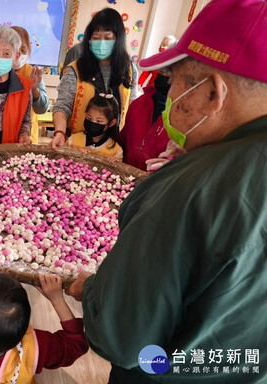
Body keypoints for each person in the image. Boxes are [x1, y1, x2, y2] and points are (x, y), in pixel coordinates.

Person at [66, 0, 267, 382]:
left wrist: (92, 291)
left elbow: (124, 340)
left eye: (173, 78)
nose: (168, 91)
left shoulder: (187, 191)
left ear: (214, 93)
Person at [52, 8, 137, 150]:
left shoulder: (129, 70)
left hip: (114, 149)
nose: (102, 43)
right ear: (89, 39)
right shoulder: (75, 69)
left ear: (119, 39)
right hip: (77, 144)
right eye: (96, 38)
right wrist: (59, 132)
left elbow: (132, 108)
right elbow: (63, 105)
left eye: (108, 38)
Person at [118, 66, 171, 170]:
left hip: (156, 180)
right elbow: (123, 140)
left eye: (171, 73)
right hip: (125, 174)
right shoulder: (138, 103)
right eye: (162, 71)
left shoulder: (185, 116)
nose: (165, 75)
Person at [10, 26, 50, 144]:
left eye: (23, 50)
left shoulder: (32, 73)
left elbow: (42, 108)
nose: (19, 54)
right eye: (15, 49)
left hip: (26, 138)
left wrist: (34, 89)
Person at [67, 93, 122, 159]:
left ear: (111, 123)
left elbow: (118, 168)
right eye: (89, 118)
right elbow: (62, 157)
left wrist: (114, 163)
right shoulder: (73, 140)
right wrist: (75, 155)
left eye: (99, 121)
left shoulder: (116, 151)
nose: (92, 123)